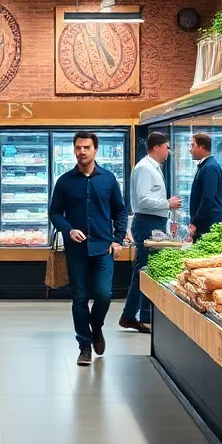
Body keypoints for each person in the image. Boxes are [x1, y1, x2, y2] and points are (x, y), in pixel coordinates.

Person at [49, 131, 127, 366]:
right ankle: (84, 346)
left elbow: (120, 211)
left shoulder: (108, 179)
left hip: (103, 247)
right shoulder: (64, 181)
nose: (81, 152)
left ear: (95, 150)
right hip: (77, 250)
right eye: (78, 147)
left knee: (104, 294)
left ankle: (97, 326)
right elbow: (54, 212)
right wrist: (68, 229)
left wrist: (118, 239)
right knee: (80, 298)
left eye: (86, 147)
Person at [120, 131, 181, 334]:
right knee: (145, 269)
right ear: (157, 147)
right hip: (147, 223)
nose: (169, 151)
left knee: (146, 269)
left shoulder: (153, 167)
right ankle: (141, 316)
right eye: (167, 147)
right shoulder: (145, 168)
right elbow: (143, 199)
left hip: (153, 221)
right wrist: (167, 203)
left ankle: (133, 315)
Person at [188, 132, 222, 239]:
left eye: (192, 145)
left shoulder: (210, 168)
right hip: (204, 222)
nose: (190, 150)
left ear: (202, 147)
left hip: (208, 224)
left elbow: (208, 198)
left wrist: (195, 222)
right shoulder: (205, 166)